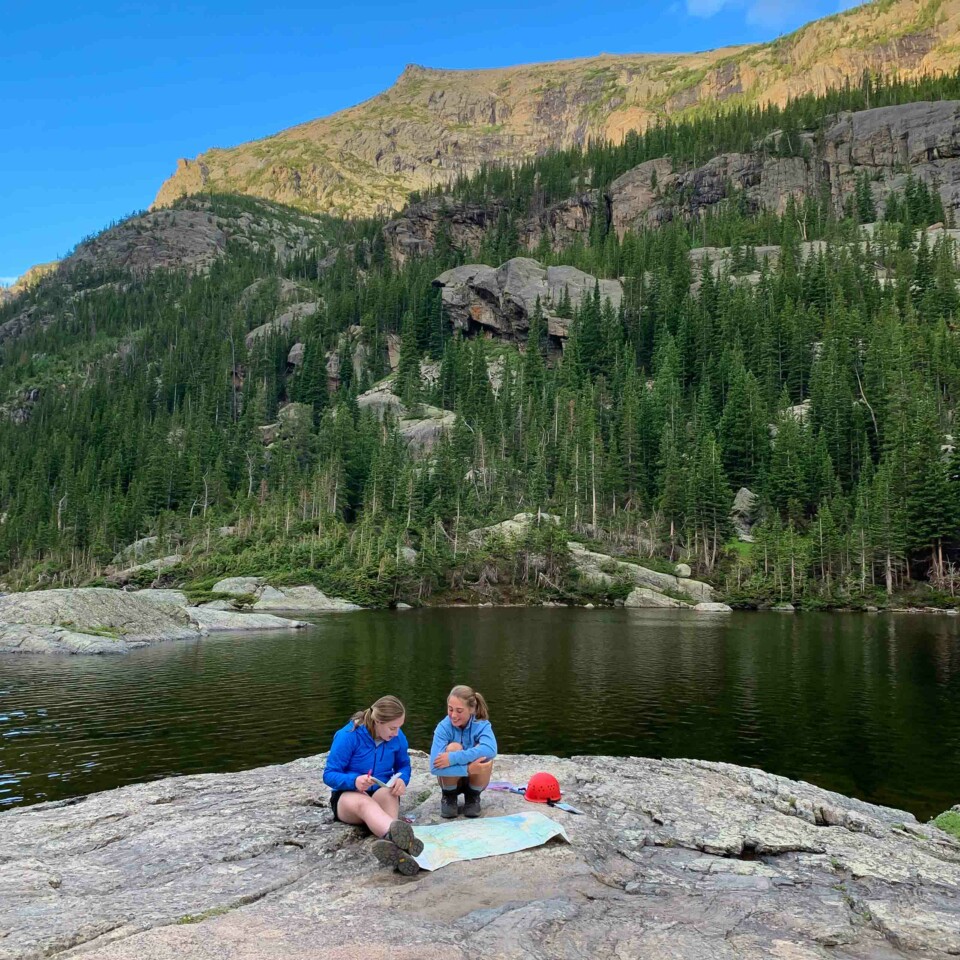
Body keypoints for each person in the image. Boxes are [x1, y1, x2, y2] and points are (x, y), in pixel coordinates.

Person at [323, 695, 423, 875]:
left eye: (399, 727)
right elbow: (329, 774)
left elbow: (403, 765)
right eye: (392, 728)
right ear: (378, 721)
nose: (396, 733)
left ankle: (397, 852)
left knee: (389, 794)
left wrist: (402, 780)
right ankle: (398, 839)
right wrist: (354, 781)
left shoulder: (397, 737)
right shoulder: (348, 736)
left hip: (380, 790)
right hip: (348, 798)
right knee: (365, 803)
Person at [430, 684, 498, 819]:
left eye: (459, 711)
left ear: (471, 709)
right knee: (453, 747)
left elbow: (491, 749)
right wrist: (467, 769)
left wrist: (454, 758)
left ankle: (473, 796)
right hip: (450, 779)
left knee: (484, 757)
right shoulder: (443, 727)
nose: (453, 715)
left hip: (475, 777)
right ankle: (449, 796)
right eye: (450, 709)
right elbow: (434, 767)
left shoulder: (482, 724)